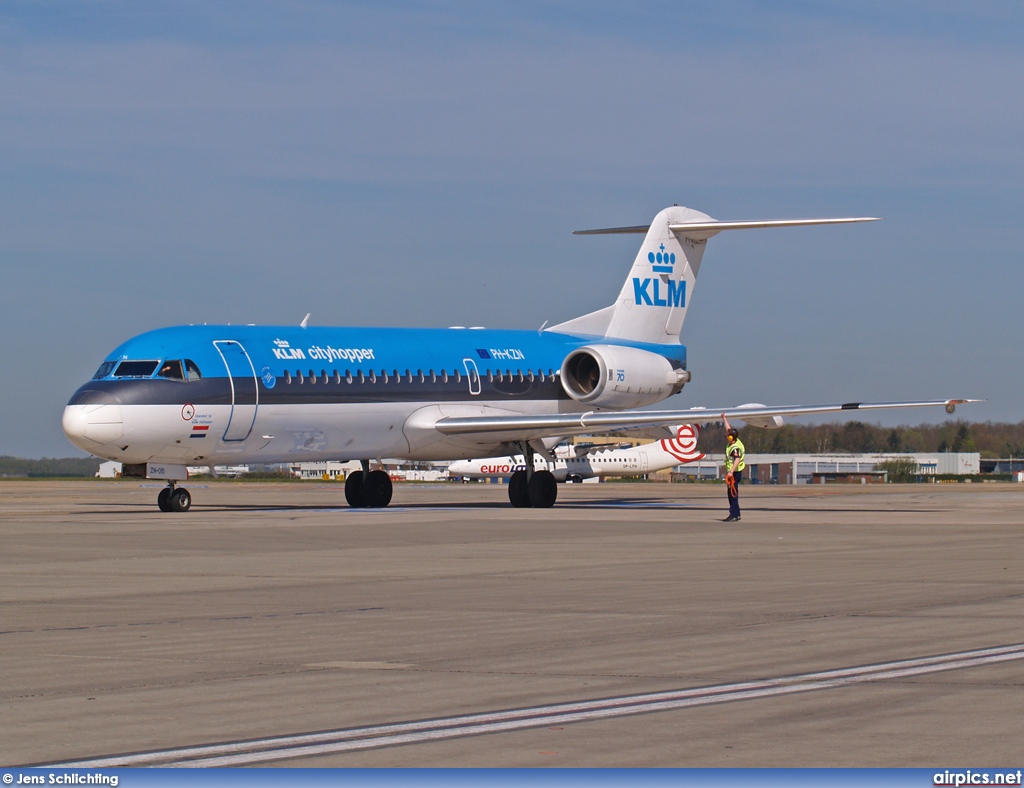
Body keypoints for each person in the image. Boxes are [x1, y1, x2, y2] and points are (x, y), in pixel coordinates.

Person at [721, 414, 746, 522]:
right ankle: (735, 513)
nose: (726, 436)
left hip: (735, 473)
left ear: (731, 437)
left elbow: (737, 459)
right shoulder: (736, 441)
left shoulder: (734, 448)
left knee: (733, 494)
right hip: (734, 472)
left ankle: (734, 514)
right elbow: (728, 428)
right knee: (731, 492)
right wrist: (724, 419)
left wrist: (731, 472)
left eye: (727, 435)